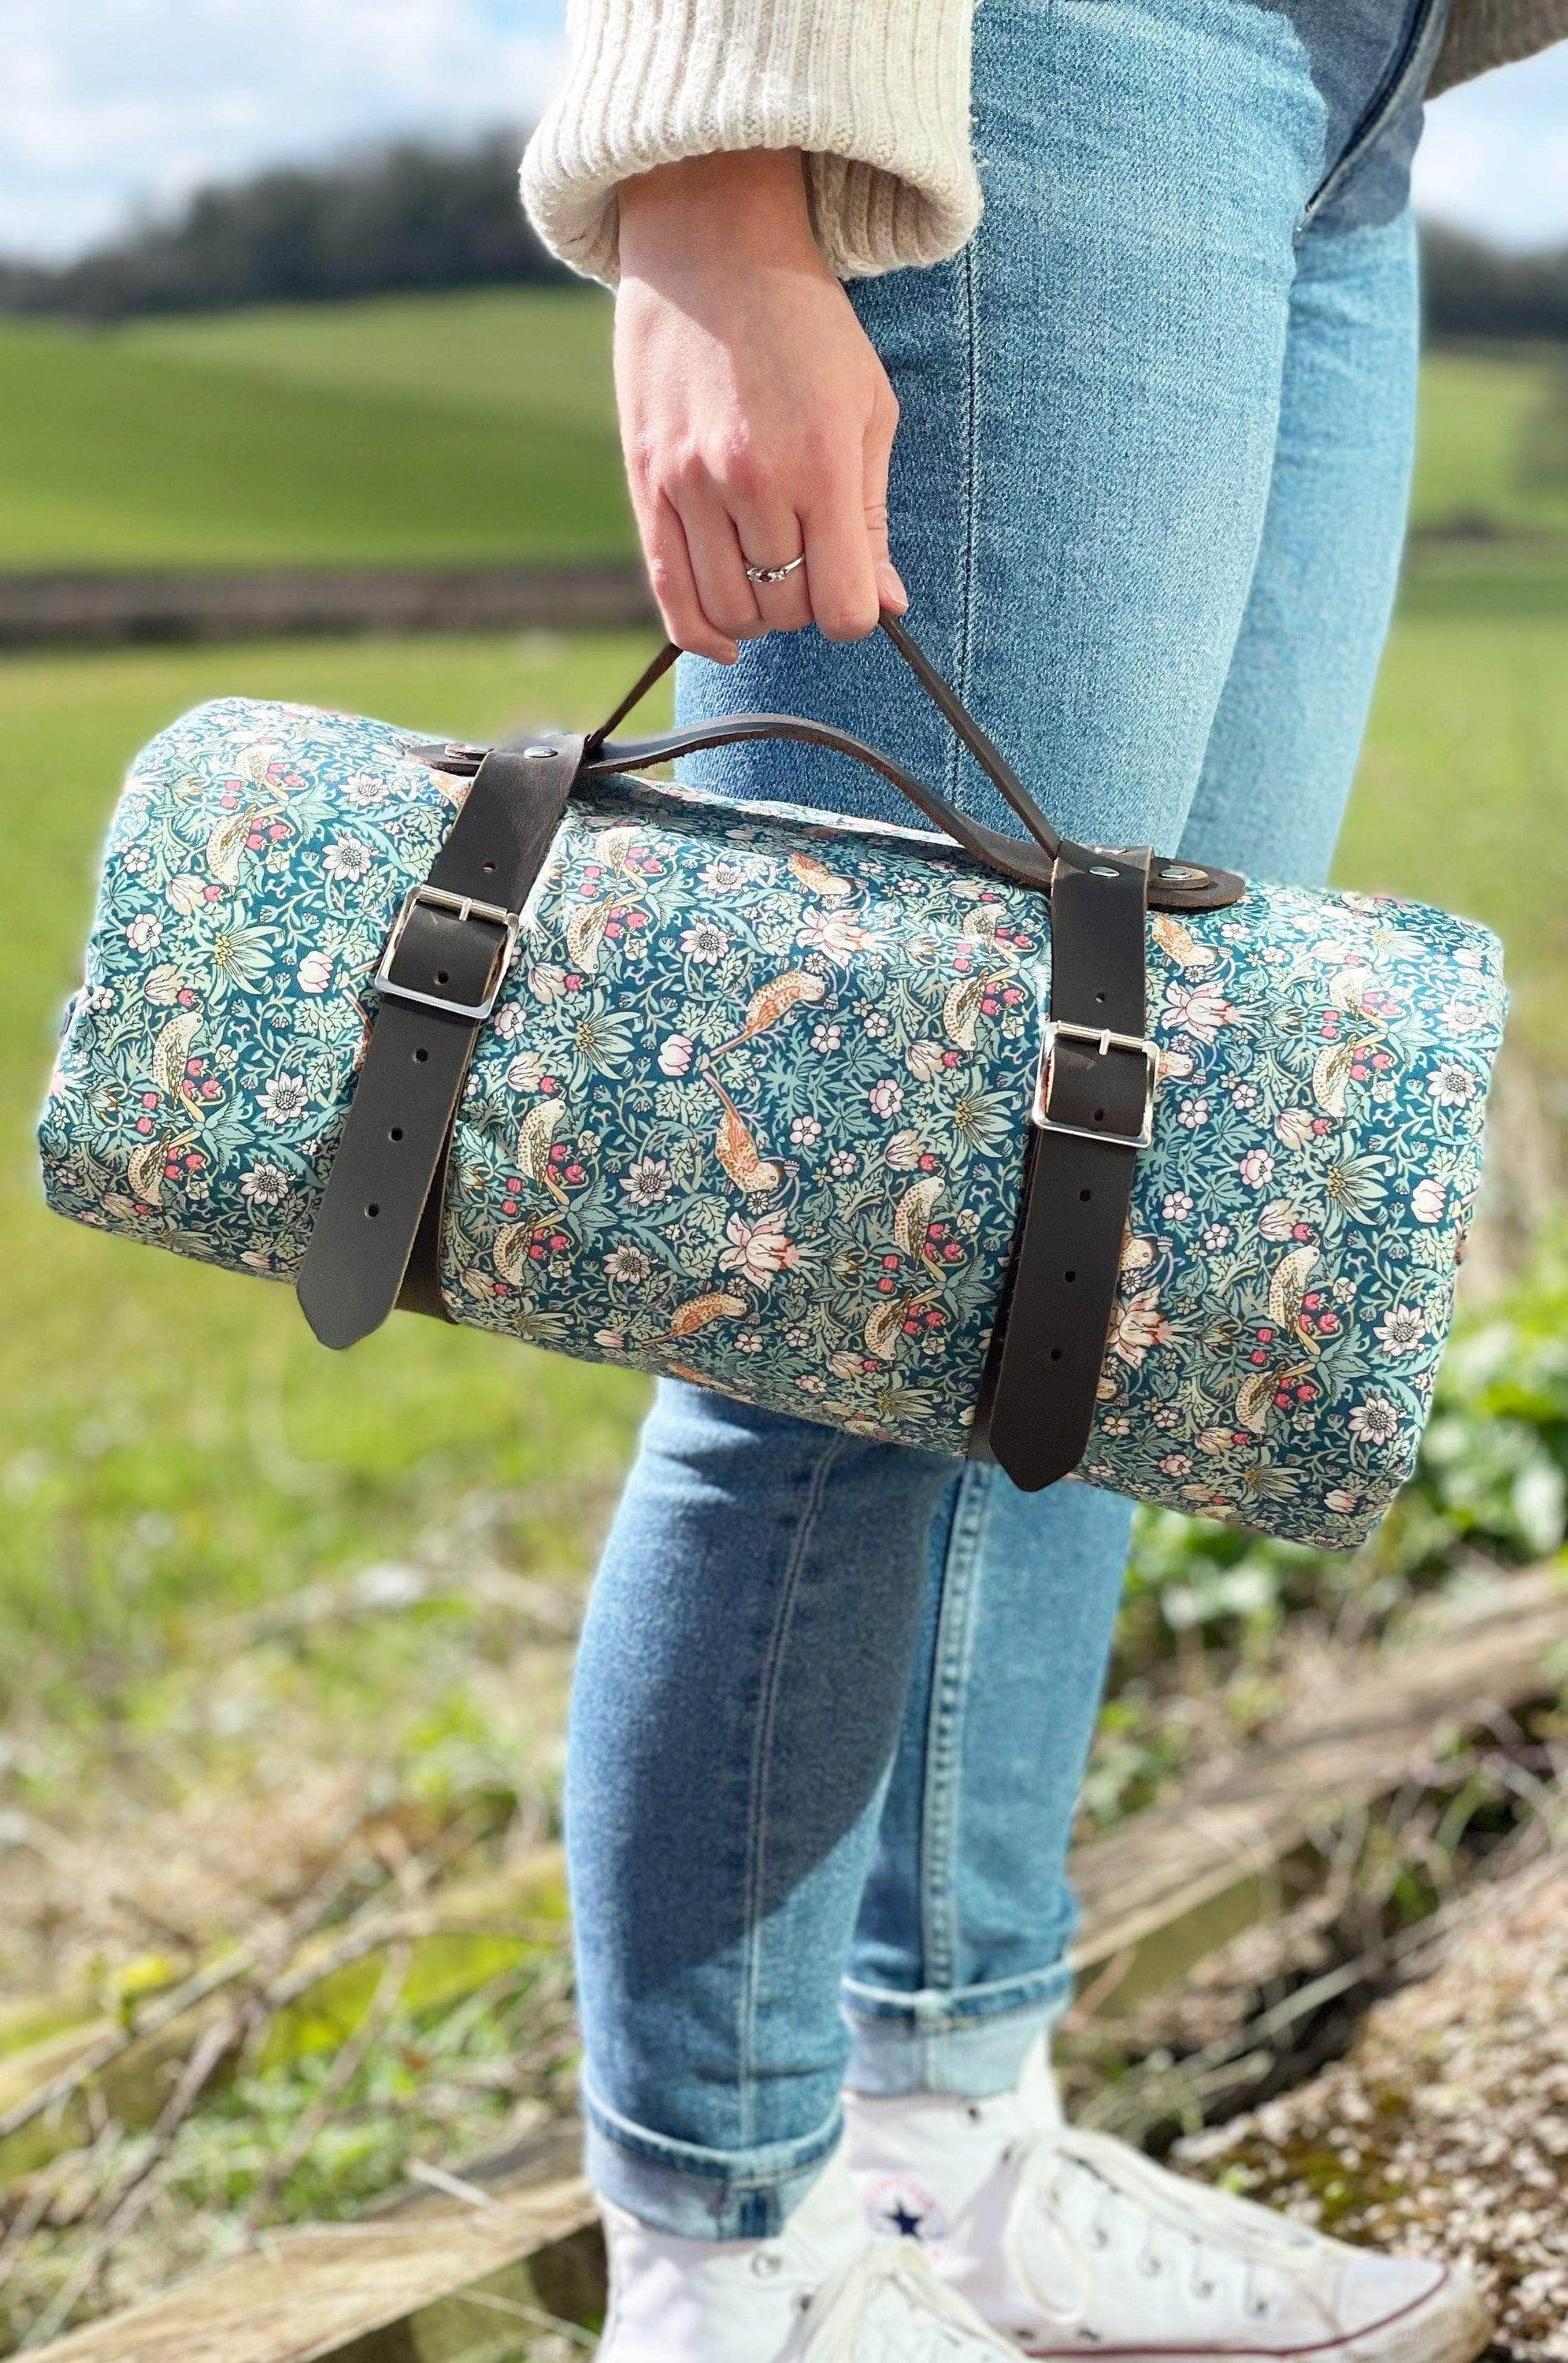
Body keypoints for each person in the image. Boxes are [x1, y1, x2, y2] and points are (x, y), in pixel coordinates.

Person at [518, 3, 1562, 2356]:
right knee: (840, 1239)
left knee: (1108, 1227)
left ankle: (945, 2150)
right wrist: (706, 190)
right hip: (1053, 52)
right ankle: (726, 2259)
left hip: (1351, 103)